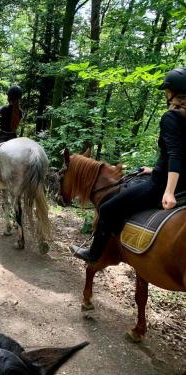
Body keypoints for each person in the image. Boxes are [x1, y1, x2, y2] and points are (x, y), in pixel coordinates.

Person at [70, 67, 186, 263]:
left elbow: (176, 154)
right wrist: (153, 169)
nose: (166, 94)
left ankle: (93, 254)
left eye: (167, 90)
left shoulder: (171, 117)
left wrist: (168, 192)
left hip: (161, 185)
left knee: (107, 209)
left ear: (173, 92)